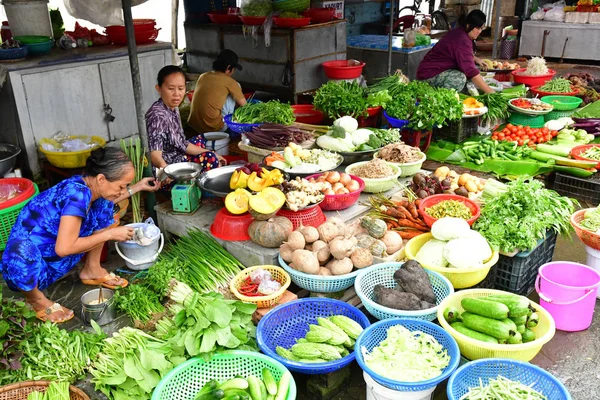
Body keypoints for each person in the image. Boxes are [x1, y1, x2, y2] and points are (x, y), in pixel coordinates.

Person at [0, 148, 160, 323]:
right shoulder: (76, 194)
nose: (122, 191)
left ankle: (92, 269)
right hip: (30, 268)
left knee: (105, 207)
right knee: (22, 249)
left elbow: (110, 198)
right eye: (121, 186)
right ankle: (35, 299)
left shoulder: (87, 187)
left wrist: (138, 187)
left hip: (53, 258)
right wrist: (110, 234)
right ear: (101, 179)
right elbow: (64, 249)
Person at [146, 65, 226, 180]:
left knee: (200, 139)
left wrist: (211, 152)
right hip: (169, 168)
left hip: (178, 155)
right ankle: (197, 185)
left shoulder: (173, 107)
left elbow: (182, 143)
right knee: (210, 158)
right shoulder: (157, 115)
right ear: (159, 88)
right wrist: (168, 174)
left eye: (181, 88)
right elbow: (155, 156)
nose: (177, 94)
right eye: (171, 88)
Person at [416, 10, 494, 94]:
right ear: (468, 25)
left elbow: (460, 53)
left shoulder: (461, 32)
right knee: (460, 78)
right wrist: (491, 92)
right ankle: (440, 98)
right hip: (428, 75)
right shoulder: (461, 38)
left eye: (481, 28)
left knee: (470, 82)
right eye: (477, 28)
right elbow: (470, 70)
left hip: (434, 71)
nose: (479, 31)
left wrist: (476, 59)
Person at [187, 49, 247, 133]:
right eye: (233, 70)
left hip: (194, 125)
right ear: (228, 68)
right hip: (214, 128)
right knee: (237, 86)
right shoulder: (230, 82)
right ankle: (230, 122)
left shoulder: (203, 76)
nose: (233, 73)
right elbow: (245, 106)